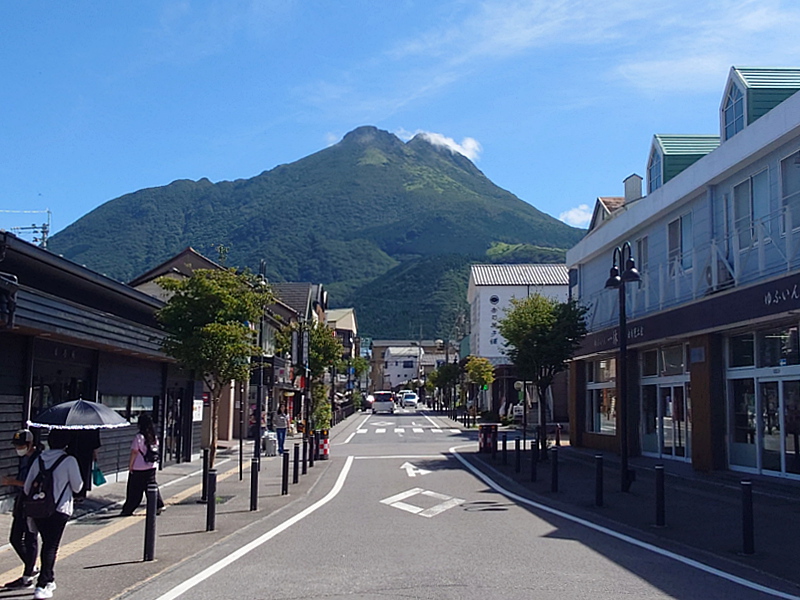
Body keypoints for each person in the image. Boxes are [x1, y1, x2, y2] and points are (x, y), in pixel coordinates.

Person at [23, 428, 83, 600]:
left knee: (47, 543)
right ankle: (42, 585)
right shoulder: (69, 460)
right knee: (50, 547)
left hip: (39, 509)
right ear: (66, 443)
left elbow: (27, 487)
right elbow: (78, 486)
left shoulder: (40, 458)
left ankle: (49, 579)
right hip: (59, 509)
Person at [2, 429, 41, 590]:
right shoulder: (24, 459)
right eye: (16, 445)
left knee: (30, 538)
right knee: (15, 538)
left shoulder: (38, 459)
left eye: (21, 445)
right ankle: (31, 568)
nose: (18, 448)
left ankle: (27, 576)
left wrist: (11, 482)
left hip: (33, 502)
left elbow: (34, 484)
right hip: (22, 500)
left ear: (30, 444)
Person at [120, 413, 164, 517]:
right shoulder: (153, 437)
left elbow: (134, 452)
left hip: (138, 467)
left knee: (134, 490)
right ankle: (158, 505)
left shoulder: (139, 437)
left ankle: (128, 509)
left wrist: (130, 465)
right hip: (151, 466)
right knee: (151, 487)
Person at [67, 429, 101, 503]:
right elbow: (96, 443)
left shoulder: (74, 424)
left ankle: (73, 493)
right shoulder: (92, 426)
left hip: (72, 451)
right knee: (84, 472)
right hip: (86, 452)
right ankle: (80, 495)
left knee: (72, 472)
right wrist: (95, 455)